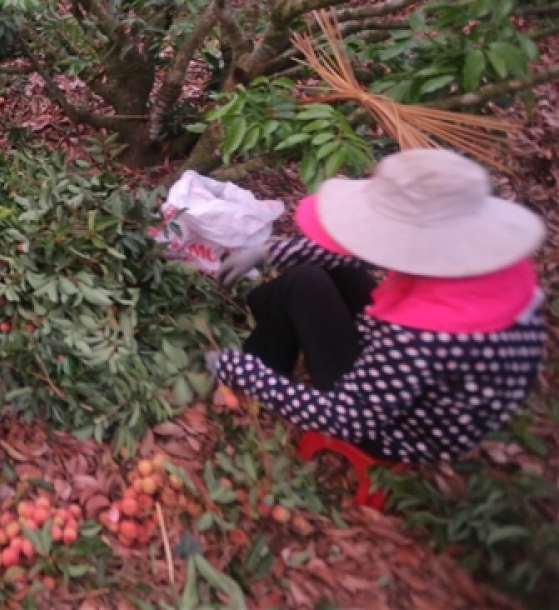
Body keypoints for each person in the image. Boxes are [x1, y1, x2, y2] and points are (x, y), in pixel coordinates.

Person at [208, 148, 547, 464]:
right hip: (433, 389)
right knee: (335, 270)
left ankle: (260, 362)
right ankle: (262, 330)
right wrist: (270, 252)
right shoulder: (490, 261)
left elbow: (346, 418)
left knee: (304, 284)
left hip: (403, 431)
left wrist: (241, 371)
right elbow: (358, 249)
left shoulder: (422, 337)